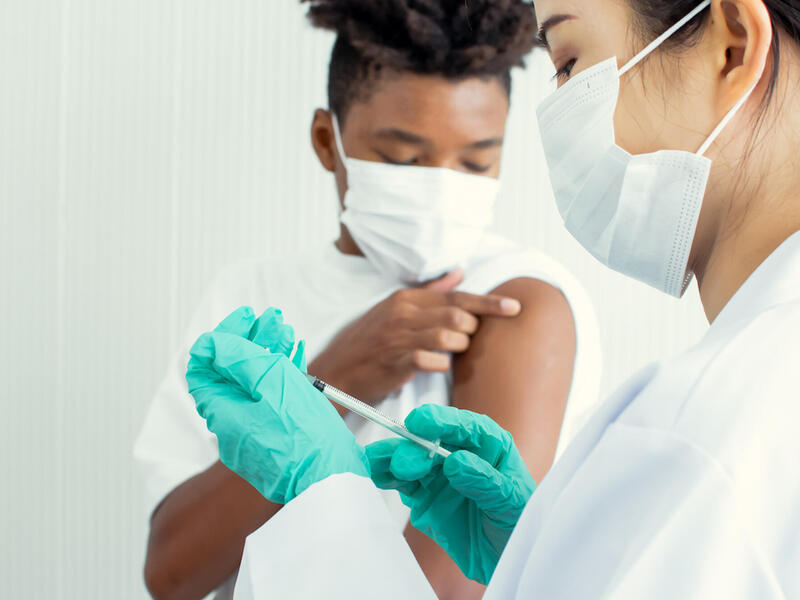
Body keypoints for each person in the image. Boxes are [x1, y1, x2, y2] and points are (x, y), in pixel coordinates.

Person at [184, 0, 800, 597]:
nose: (558, 107)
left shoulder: (699, 431)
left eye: (566, 63)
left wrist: (324, 498)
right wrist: (532, 559)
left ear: (732, 46)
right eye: (402, 157)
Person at [135, 1, 601, 598]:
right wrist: (338, 376)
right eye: (403, 158)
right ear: (328, 142)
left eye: (476, 161)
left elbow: (449, 590)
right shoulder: (249, 294)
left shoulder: (513, 298)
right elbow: (171, 574)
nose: (439, 189)